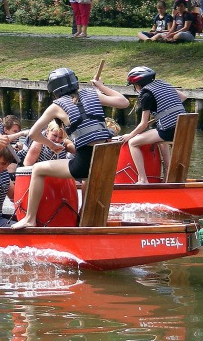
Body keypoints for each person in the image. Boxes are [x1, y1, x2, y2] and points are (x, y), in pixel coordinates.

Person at [12, 67, 129, 229]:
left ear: (54, 90)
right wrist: (101, 86)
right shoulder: (92, 94)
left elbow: (33, 134)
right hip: (106, 160)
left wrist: (52, 145)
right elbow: (124, 102)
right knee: (86, 177)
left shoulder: (57, 105)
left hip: (85, 162)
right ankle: (87, 218)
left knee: (38, 169)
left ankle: (30, 219)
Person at [119, 66, 187, 184]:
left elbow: (143, 124)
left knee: (133, 143)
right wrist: (166, 109)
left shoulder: (146, 95)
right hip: (183, 128)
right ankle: (167, 176)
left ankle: (142, 179)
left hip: (169, 130)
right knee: (160, 141)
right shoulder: (163, 84)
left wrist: (129, 135)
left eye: (134, 86)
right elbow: (183, 97)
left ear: (138, 84)